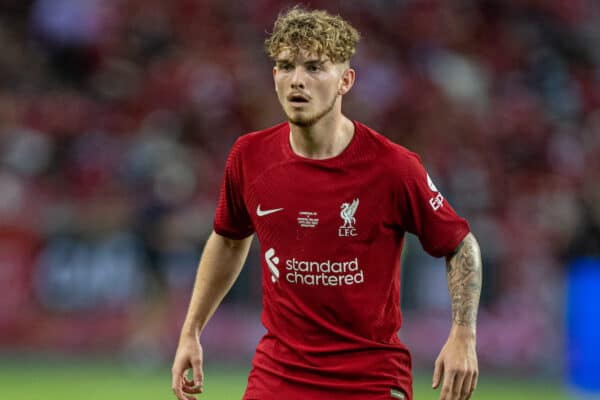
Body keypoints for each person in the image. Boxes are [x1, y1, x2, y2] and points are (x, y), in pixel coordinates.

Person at [171, 6, 482, 400]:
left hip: (368, 378)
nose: (297, 80)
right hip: (278, 376)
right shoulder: (249, 157)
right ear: (274, 77)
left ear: (345, 81)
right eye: (286, 66)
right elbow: (229, 239)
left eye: (315, 67)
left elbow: (461, 246)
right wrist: (191, 332)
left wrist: (463, 335)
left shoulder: (393, 167)